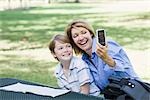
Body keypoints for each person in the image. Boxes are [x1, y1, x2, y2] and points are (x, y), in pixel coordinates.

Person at [65, 20, 139, 92]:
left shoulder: (107, 45)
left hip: (133, 92)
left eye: (84, 33)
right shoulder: (84, 60)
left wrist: (107, 59)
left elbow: (127, 74)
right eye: (75, 36)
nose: (81, 38)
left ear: (90, 33)